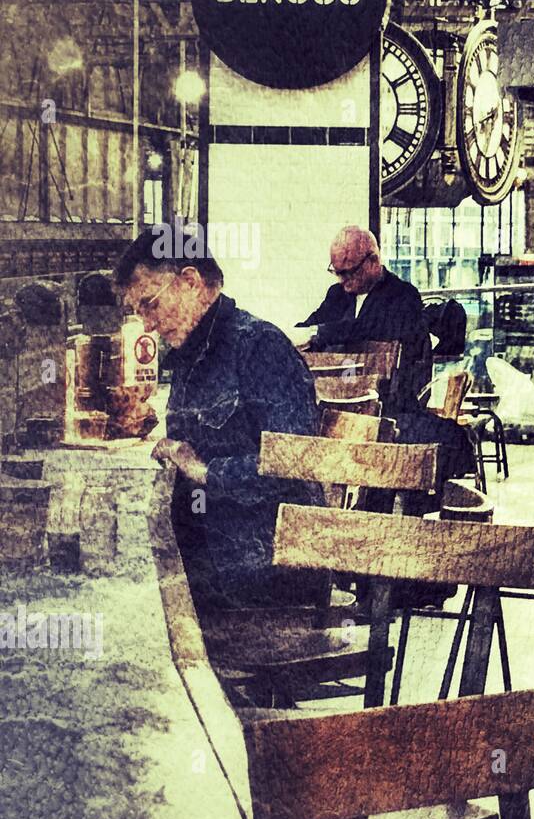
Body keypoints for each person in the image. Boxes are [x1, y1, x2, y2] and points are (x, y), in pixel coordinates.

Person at [115, 226, 325, 609]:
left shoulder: (259, 346)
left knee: (128, 603)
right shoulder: (194, 350)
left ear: (190, 282)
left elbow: (295, 466)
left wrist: (205, 472)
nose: (146, 324)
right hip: (218, 550)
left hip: (263, 568)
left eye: (150, 304)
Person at [294, 226, 431, 416]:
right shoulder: (337, 294)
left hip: (387, 405)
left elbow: (368, 327)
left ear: (373, 261)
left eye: (348, 272)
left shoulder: (403, 295)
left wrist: (318, 333)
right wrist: (293, 335)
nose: (342, 280)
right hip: (339, 400)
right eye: (337, 272)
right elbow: (315, 321)